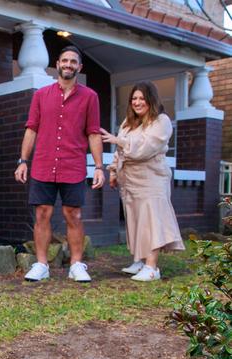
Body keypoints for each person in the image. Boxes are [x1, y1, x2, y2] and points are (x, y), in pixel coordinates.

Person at [14, 46, 105, 283]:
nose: (68, 64)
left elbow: (94, 133)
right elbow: (31, 129)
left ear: (79, 67)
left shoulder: (90, 97)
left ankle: (76, 264)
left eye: (73, 61)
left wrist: (98, 166)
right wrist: (23, 161)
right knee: (42, 213)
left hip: (73, 165)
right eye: (64, 60)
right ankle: (41, 264)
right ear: (57, 64)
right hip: (43, 164)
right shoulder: (41, 95)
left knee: (72, 214)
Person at [100, 81, 184, 281]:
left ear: (151, 100)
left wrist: (119, 141)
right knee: (135, 221)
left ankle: (152, 267)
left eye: (141, 98)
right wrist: (113, 171)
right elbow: (120, 152)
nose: (137, 102)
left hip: (152, 179)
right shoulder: (128, 123)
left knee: (151, 220)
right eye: (134, 98)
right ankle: (140, 260)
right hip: (130, 181)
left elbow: (146, 147)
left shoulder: (161, 121)